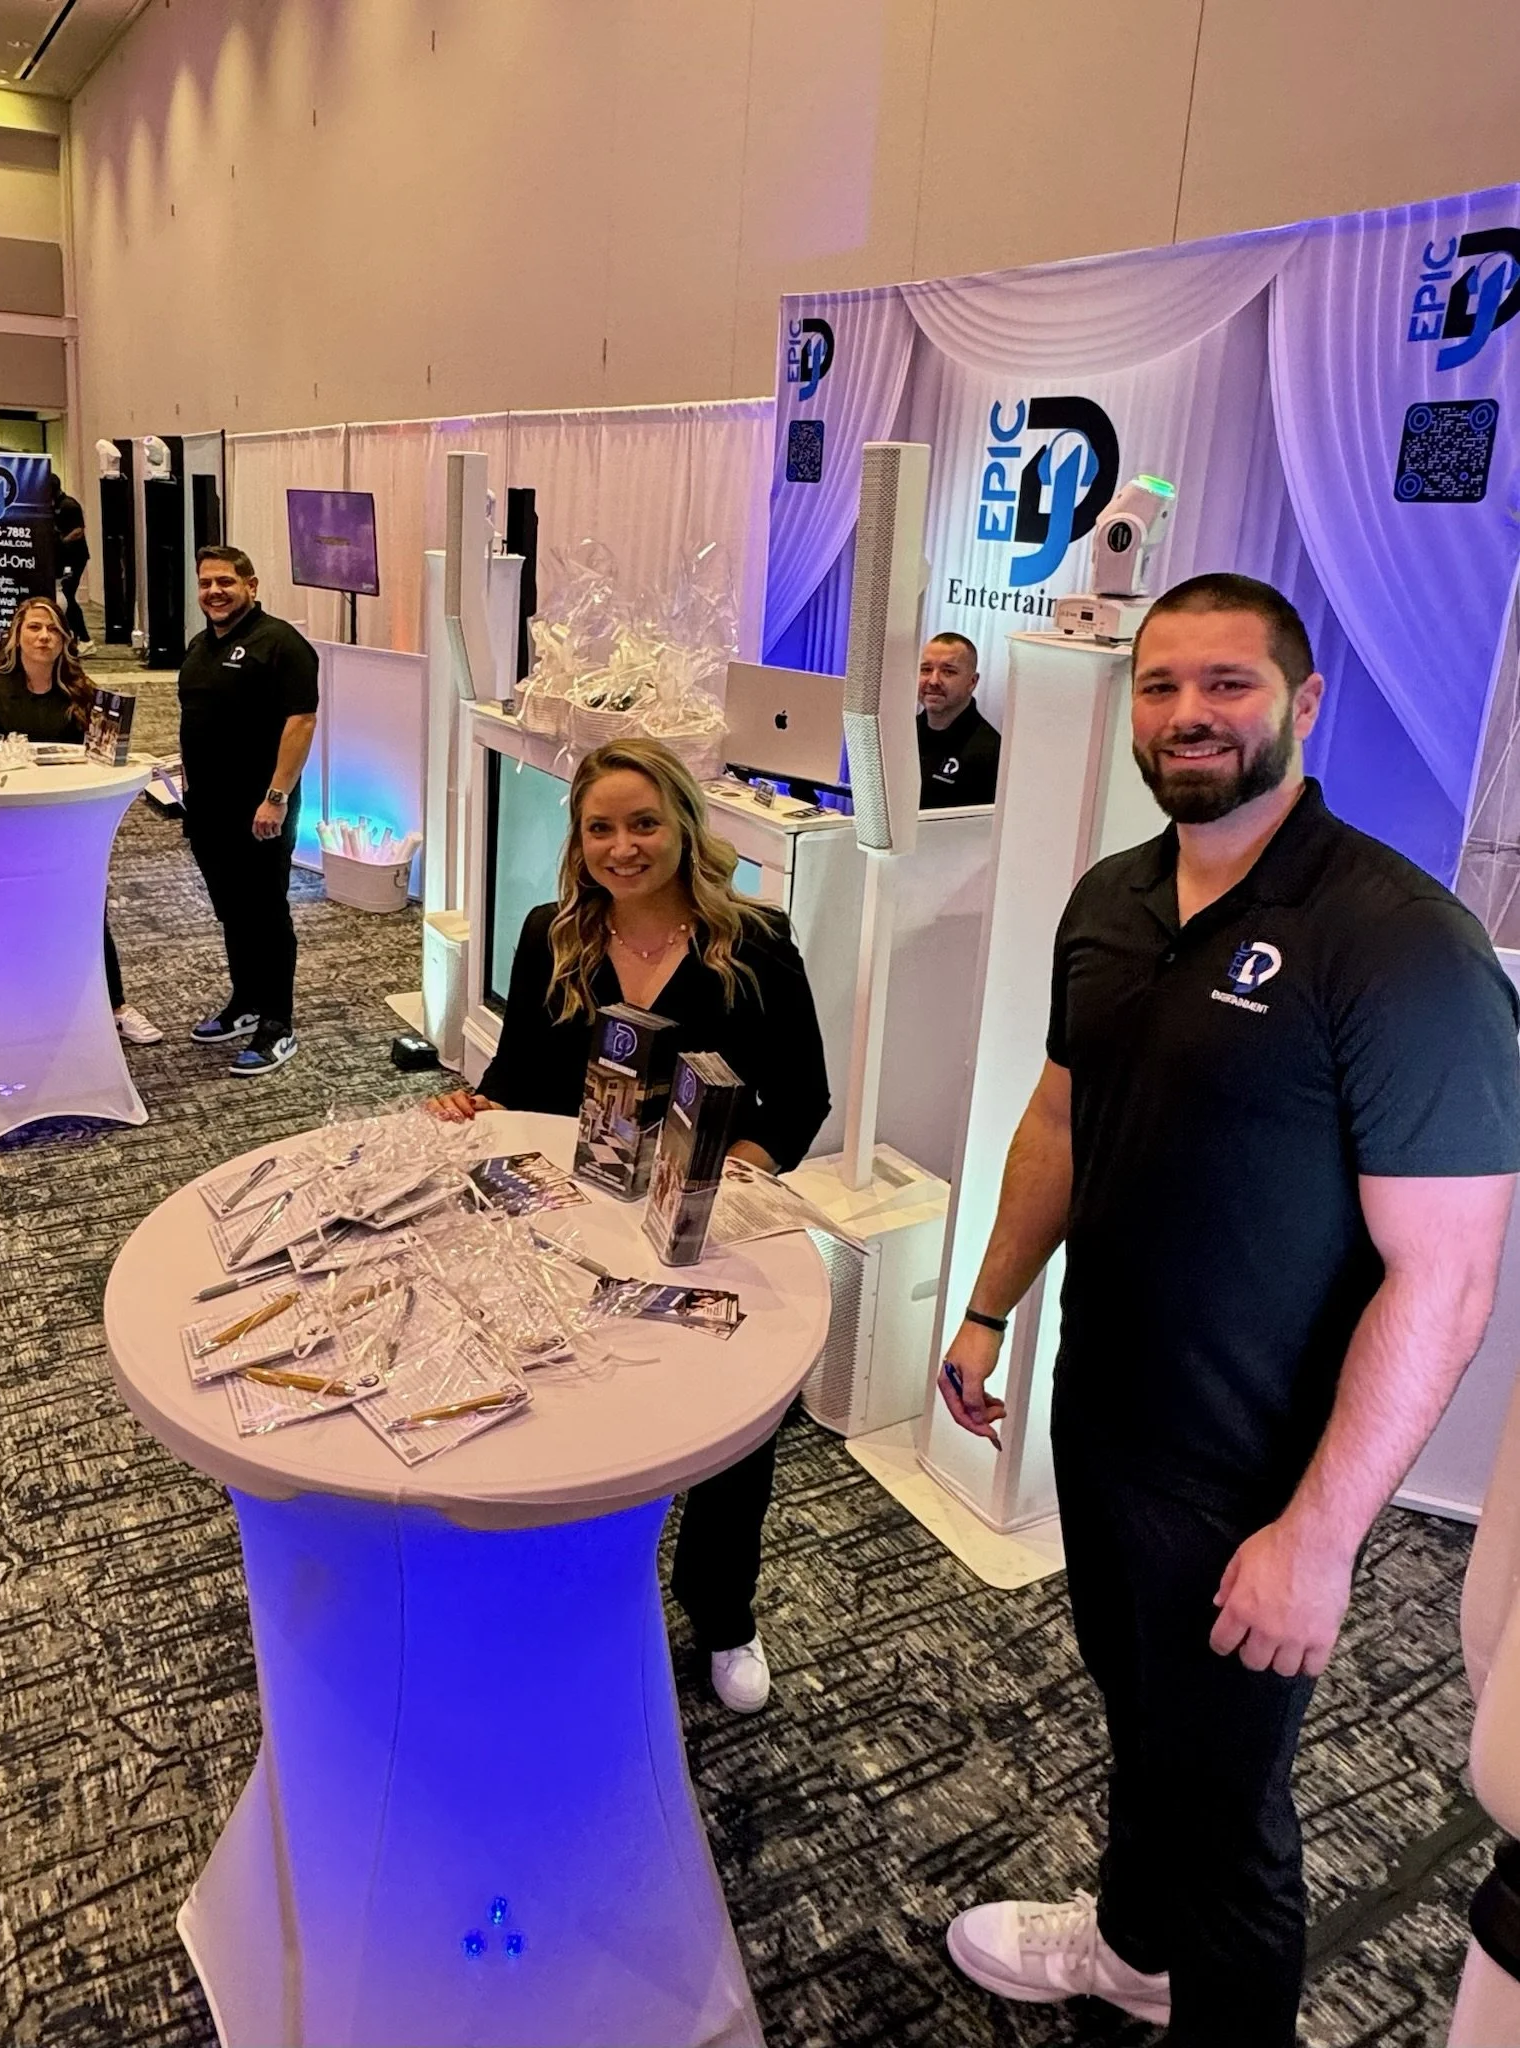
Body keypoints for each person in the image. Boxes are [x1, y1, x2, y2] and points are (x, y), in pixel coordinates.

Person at [937, 573, 1520, 2046]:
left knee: (1234, 1822)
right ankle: (1135, 1951)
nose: (1190, 715)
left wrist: (1319, 1540)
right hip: (1109, 1414)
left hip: (1257, 1475)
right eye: (1162, 686)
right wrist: (991, 1308)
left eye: (1229, 685)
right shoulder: (1113, 900)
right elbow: (1062, 1122)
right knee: (1147, 1728)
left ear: (1303, 704)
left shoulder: (1397, 944)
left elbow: (1444, 1279)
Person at [427, 737, 831, 1714]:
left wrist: (732, 1164)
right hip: (568, 1223)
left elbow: (801, 1099)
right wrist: (472, 1107)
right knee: (570, 1406)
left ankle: (722, 1610)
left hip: (703, 1228)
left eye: (643, 822)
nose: (622, 845)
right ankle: (561, 1584)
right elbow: (519, 1080)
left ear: (684, 824)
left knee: (735, 1424)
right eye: (600, 827)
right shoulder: (549, 934)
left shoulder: (756, 944)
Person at [0, 597, 163, 1047]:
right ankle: (20, 1007)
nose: (43, 637)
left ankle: (115, 1004)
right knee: (17, 914)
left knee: (86, 909)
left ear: (65, 640)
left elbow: (101, 760)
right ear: (18, 635)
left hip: (70, 822)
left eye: (53, 630)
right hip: (10, 824)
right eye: (34, 628)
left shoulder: (84, 692)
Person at [177, 544, 319, 1077]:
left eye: (226, 582)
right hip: (207, 810)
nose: (214, 591)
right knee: (232, 912)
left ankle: (278, 1024)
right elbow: (194, 720)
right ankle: (245, 1003)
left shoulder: (281, 644)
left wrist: (276, 798)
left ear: (251, 586)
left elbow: (300, 723)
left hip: (262, 810)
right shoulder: (199, 646)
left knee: (265, 914)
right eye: (206, 582)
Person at [916, 631, 1000, 807]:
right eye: (926, 669)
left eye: (948, 671)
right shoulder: (900, 734)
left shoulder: (991, 752)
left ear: (972, 682)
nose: (933, 681)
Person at [50, 473, 92, 649]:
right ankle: (72, 637)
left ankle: (85, 639)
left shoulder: (69, 505)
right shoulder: (54, 506)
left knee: (68, 595)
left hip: (75, 558)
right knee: (64, 595)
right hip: (63, 558)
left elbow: (78, 531)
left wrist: (61, 541)